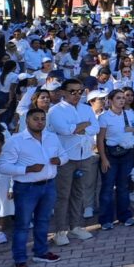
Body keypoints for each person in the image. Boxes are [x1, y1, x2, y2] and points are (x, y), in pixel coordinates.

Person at [0, 107, 65, 267]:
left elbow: (64, 155)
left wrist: (60, 160)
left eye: (42, 119)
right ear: (27, 120)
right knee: (22, 225)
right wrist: (27, 169)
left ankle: (40, 252)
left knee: (43, 221)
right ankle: (20, 259)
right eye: (36, 119)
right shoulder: (16, 140)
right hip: (26, 188)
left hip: (49, 185)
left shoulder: (52, 137)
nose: (40, 122)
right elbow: (3, 166)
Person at [45, 78, 98, 245]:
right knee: (63, 195)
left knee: (79, 193)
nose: (77, 95)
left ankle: (76, 226)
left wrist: (78, 127)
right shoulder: (55, 111)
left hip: (84, 156)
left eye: (80, 91)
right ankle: (60, 231)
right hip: (65, 158)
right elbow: (65, 130)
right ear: (63, 92)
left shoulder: (86, 108)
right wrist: (83, 126)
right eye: (72, 91)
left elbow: (95, 127)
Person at [96, 89, 134, 230]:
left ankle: (125, 216)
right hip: (110, 155)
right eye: (118, 98)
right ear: (110, 100)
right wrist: (103, 159)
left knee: (123, 187)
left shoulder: (129, 114)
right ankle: (105, 219)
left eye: (123, 98)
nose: (122, 100)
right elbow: (100, 139)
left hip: (126, 154)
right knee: (108, 187)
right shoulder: (104, 117)